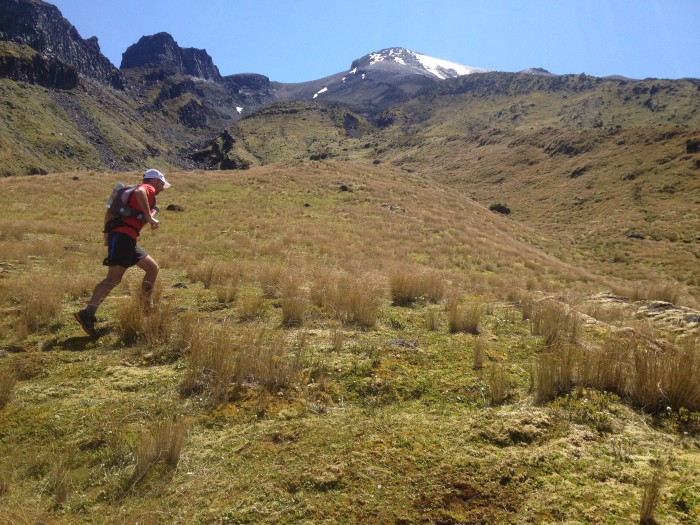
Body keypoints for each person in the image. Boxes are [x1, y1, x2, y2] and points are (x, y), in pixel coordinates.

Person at [74, 169, 172, 338]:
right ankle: (87, 314)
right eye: (162, 184)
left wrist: (107, 235)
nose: (163, 188)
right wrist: (149, 217)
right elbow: (142, 191)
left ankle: (146, 306)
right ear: (155, 181)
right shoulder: (146, 188)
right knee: (113, 279)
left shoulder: (130, 192)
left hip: (124, 238)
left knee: (152, 268)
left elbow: (109, 212)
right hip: (123, 237)